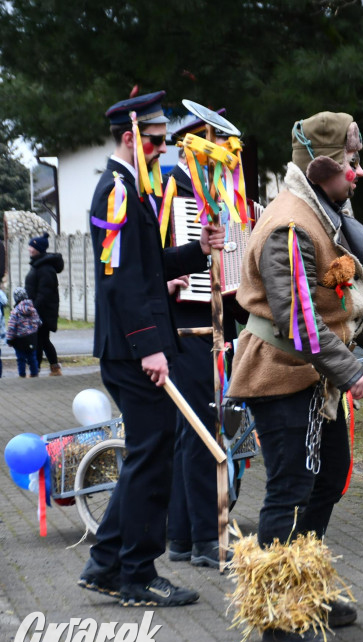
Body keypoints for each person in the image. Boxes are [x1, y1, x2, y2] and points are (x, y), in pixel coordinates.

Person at [228, 111, 363, 642]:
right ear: (322, 169)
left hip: (314, 373)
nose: (359, 172)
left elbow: (335, 304)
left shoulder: (322, 211)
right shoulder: (289, 225)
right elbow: (296, 320)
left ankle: (304, 582)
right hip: (280, 373)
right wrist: (353, 370)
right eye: (351, 162)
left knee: (329, 475)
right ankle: (278, 612)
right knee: (291, 489)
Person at [78, 90, 224, 608]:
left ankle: (106, 564)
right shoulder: (116, 191)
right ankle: (135, 574)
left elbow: (148, 264)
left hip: (136, 348)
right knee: (150, 459)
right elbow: (119, 280)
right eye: (157, 142)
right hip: (132, 352)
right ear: (130, 138)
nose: (164, 150)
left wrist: (197, 252)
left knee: (148, 456)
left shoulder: (131, 187)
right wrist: (148, 347)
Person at [163, 110, 247, 568]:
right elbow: (153, 258)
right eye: (219, 149)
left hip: (219, 325)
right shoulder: (173, 190)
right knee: (199, 430)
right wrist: (166, 282)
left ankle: (181, 537)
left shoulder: (225, 196)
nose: (227, 160)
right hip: (187, 324)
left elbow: (231, 263)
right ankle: (204, 539)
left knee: (194, 430)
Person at [24, 233, 64, 375]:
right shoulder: (38, 265)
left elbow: (44, 293)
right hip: (39, 310)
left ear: (38, 249)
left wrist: (33, 309)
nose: (29, 249)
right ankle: (53, 367)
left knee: (40, 341)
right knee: (42, 340)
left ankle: (37, 370)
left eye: (32, 247)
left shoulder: (45, 268)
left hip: (43, 311)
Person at [6, 287, 41, 378]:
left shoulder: (15, 311)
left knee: (21, 358)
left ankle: (22, 375)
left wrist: (9, 339)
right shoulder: (33, 309)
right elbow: (39, 322)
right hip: (32, 337)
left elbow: (11, 327)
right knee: (32, 356)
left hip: (19, 339)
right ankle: (34, 373)